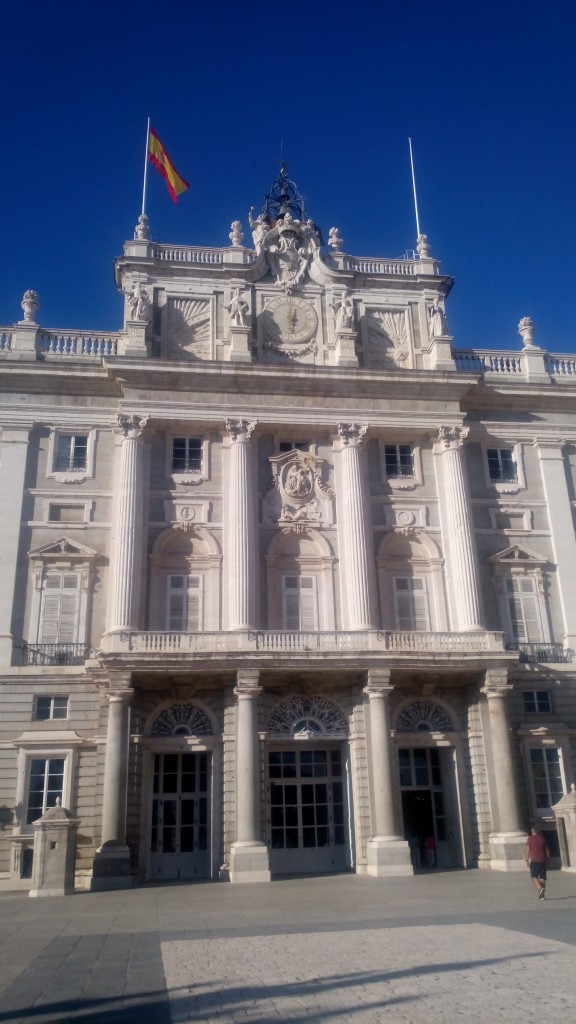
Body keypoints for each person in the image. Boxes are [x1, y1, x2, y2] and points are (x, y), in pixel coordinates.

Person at [525, 826, 550, 900]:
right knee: (542, 878)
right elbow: (547, 850)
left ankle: (540, 888)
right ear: (538, 832)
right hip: (543, 860)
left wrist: (526, 859)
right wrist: (548, 859)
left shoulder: (530, 839)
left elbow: (528, 849)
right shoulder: (542, 839)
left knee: (534, 876)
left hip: (535, 860)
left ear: (532, 832)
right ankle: (542, 895)